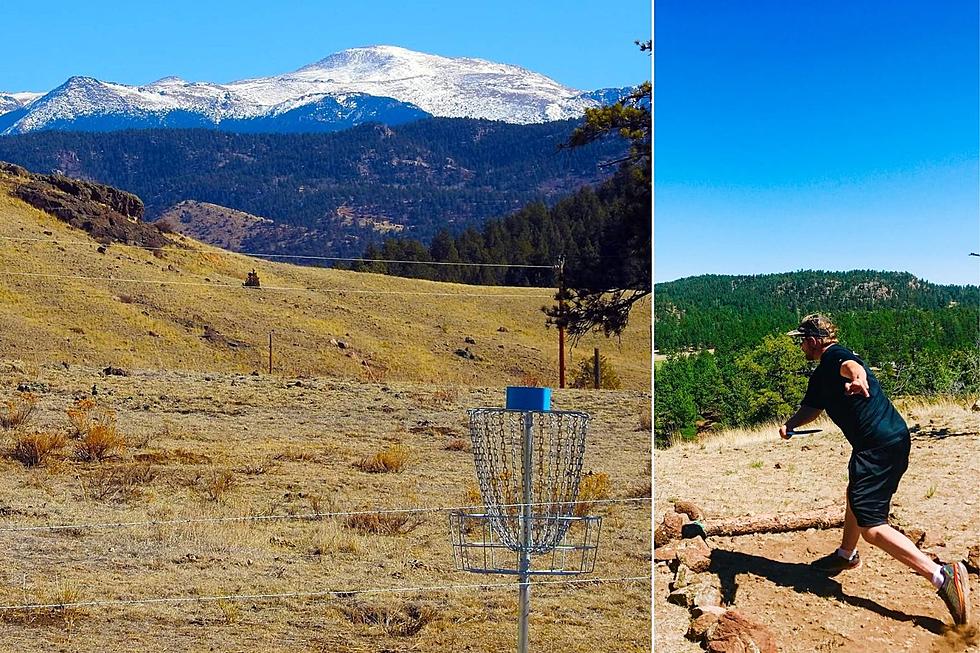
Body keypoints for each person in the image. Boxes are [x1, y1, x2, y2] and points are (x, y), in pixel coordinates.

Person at [779, 314, 970, 626]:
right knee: (854, 493)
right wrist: (790, 424)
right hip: (888, 439)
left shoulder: (836, 358)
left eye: (802, 340)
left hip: (877, 448)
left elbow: (852, 368)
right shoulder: (820, 376)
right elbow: (812, 407)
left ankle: (940, 575)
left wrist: (858, 378)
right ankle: (845, 555)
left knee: (873, 528)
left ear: (813, 341)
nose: (800, 345)